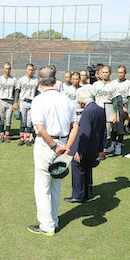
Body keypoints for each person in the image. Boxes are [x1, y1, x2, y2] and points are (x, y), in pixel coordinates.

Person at [28, 67, 78, 236]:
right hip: (63, 143)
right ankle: (53, 220)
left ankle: (47, 225)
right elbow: (75, 126)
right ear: (55, 80)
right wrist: (67, 146)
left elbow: (40, 129)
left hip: (46, 144)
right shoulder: (66, 99)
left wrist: (55, 146)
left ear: (38, 81)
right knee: (56, 184)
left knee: (43, 186)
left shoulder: (38, 100)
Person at [65, 90, 106, 203]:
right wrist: (100, 149)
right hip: (93, 146)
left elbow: (85, 131)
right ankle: (88, 193)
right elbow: (103, 131)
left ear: (82, 102)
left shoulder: (87, 111)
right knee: (88, 170)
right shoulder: (101, 110)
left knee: (78, 170)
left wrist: (79, 151)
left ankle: (78, 196)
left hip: (84, 147)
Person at [90, 65, 119, 155]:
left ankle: (103, 151)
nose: (105, 74)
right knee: (95, 130)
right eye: (103, 72)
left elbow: (115, 100)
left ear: (110, 73)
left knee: (107, 132)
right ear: (100, 73)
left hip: (108, 109)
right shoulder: (96, 84)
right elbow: (93, 98)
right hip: (97, 109)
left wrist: (115, 114)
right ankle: (95, 148)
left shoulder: (113, 85)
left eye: (107, 72)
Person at [109, 66, 130, 155]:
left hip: (122, 108)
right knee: (114, 127)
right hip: (115, 107)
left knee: (121, 129)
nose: (120, 74)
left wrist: (127, 111)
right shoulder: (113, 83)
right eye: (118, 72)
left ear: (125, 73)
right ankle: (112, 145)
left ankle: (119, 146)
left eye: (122, 72)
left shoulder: (129, 84)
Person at [0, 62, 18, 143]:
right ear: (3, 69)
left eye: (9, 69)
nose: (7, 70)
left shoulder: (14, 79)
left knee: (8, 119)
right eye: (6, 68)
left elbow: (15, 92)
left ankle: (7, 135)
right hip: (1, 100)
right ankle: (1, 135)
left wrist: (15, 102)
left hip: (10, 101)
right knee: (1, 118)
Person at [16, 63, 38, 146]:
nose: (30, 71)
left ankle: (28, 138)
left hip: (32, 102)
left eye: (32, 70)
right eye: (29, 69)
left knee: (29, 121)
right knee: (23, 120)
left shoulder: (36, 80)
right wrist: (15, 102)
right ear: (26, 70)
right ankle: (22, 138)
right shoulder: (21, 79)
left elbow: (38, 92)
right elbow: (17, 91)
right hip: (23, 101)